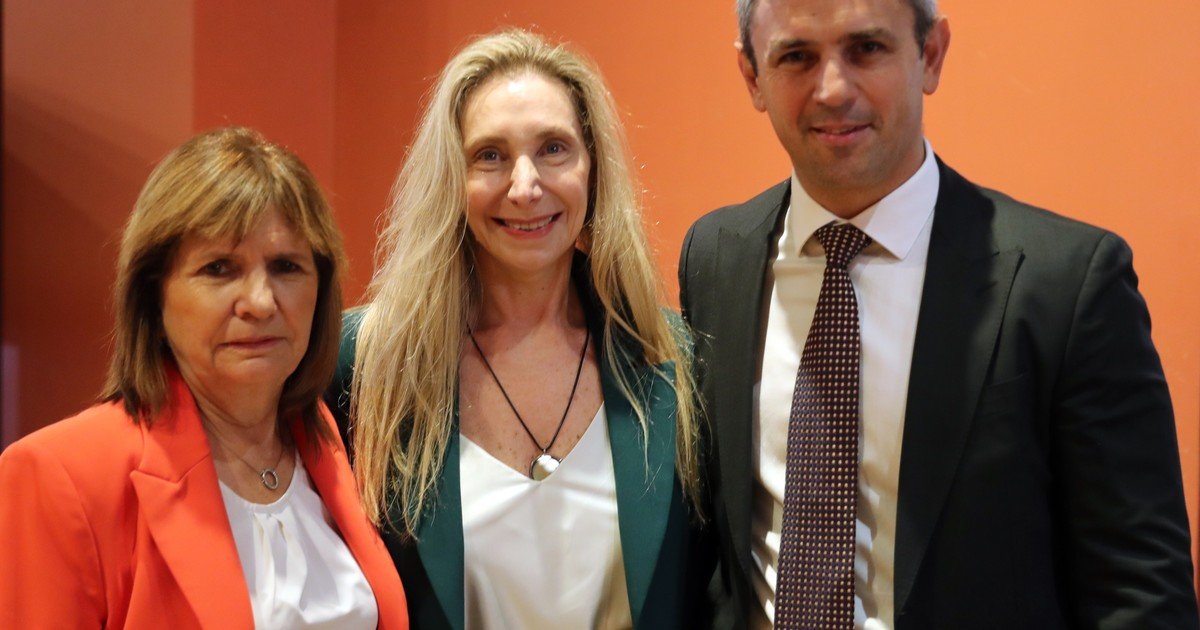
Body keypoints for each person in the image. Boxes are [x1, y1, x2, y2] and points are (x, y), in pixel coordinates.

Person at [679, 0, 1198, 628]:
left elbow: (1140, 591)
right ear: (752, 77)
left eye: (867, 48)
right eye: (796, 56)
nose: (832, 89)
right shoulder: (716, 257)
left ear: (931, 54)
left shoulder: (1068, 284)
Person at [327, 29, 708, 629]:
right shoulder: (366, 361)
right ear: (452, 178)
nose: (525, 186)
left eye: (554, 149)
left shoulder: (670, 358)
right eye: (490, 155)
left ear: (593, 169)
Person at [0, 127, 408, 629]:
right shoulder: (58, 474)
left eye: (286, 266)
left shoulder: (329, 437)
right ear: (154, 297)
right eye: (219, 269)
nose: (260, 302)